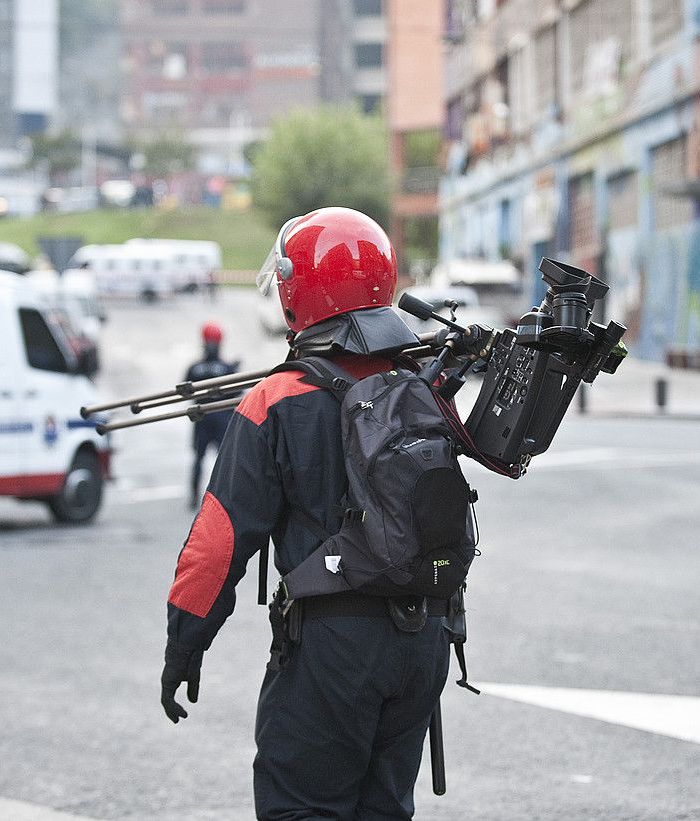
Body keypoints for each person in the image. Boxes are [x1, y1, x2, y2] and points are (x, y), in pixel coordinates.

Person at [161, 207, 449, 820]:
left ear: (301, 291)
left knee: (303, 808)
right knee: (385, 810)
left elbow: (218, 542)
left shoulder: (274, 400)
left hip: (332, 648)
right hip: (425, 641)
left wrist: (185, 643)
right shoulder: (421, 384)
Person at [185, 322, 239, 507]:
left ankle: (193, 496)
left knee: (198, 459)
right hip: (221, 418)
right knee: (224, 461)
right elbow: (236, 393)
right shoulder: (226, 369)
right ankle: (223, 498)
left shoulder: (195, 367)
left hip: (201, 418)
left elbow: (185, 391)